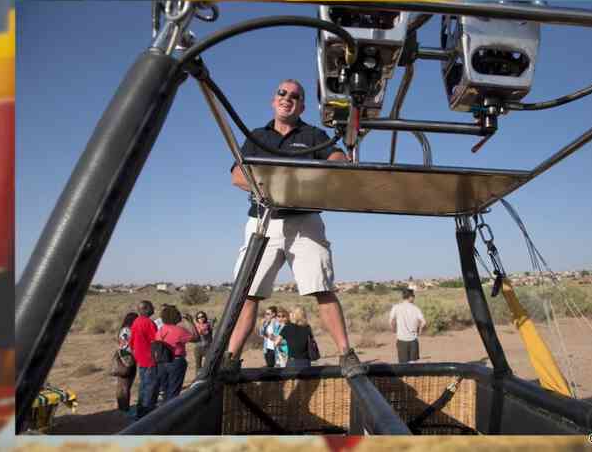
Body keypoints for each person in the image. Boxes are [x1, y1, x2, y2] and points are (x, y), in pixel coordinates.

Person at [226, 79, 364, 378]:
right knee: (247, 294)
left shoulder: (314, 135)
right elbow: (237, 173)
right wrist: (267, 187)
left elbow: (338, 159)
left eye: (295, 96)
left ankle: (346, 354)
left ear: (302, 105)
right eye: (282, 93)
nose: (287, 98)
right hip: (263, 220)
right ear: (273, 100)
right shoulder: (256, 136)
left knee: (322, 289)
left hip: (304, 222)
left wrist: (314, 178)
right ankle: (230, 358)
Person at [154, 305, 198, 402]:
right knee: (174, 391)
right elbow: (196, 338)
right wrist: (190, 322)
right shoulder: (179, 331)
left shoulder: (161, 330)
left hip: (162, 362)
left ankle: (163, 411)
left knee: (165, 390)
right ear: (175, 316)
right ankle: (171, 413)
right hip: (176, 361)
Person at [129, 300, 159, 419]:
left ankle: (140, 411)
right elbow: (156, 342)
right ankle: (147, 415)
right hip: (150, 359)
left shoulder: (136, 321)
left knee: (143, 386)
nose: (154, 309)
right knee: (150, 387)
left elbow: (131, 342)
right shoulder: (149, 323)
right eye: (152, 307)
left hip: (140, 359)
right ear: (145, 309)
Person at [389, 288, 427, 364]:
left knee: (403, 365)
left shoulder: (396, 307)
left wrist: (394, 330)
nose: (414, 298)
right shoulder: (416, 308)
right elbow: (423, 322)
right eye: (413, 296)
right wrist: (420, 331)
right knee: (413, 365)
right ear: (410, 297)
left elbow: (391, 321)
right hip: (413, 340)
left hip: (401, 339)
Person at [115, 312, 138, 412]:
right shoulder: (128, 330)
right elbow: (125, 346)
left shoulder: (123, 329)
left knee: (122, 385)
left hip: (123, 357)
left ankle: (122, 407)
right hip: (127, 358)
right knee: (125, 385)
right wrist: (128, 362)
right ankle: (124, 408)